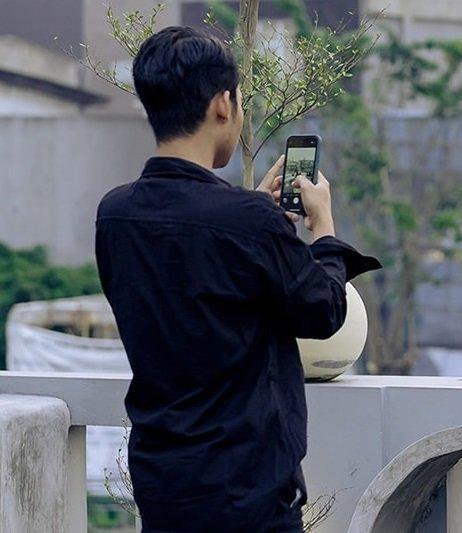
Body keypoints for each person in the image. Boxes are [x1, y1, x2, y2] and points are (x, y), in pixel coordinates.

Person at [95, 26, 380, 532]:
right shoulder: (245, 222)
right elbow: (322, 311)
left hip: (163, 482)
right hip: (247, 489)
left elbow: (192, 288)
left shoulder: (116, 214)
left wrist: (257, 222)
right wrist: (324, 229)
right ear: (223, 104)